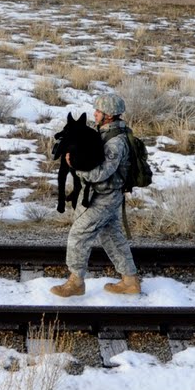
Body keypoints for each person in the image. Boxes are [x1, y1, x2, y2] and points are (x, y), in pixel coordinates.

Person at [50, 93, 142, 297]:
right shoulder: (108, 133)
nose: (95, 114)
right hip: (107, 195)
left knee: (79, 234)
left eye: (99, 111)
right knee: (112, 237)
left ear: (109, 115)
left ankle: (76, 283)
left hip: (105, 196)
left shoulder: (115, 142)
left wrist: (75, 166)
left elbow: (101, 173)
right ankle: (130, 281)